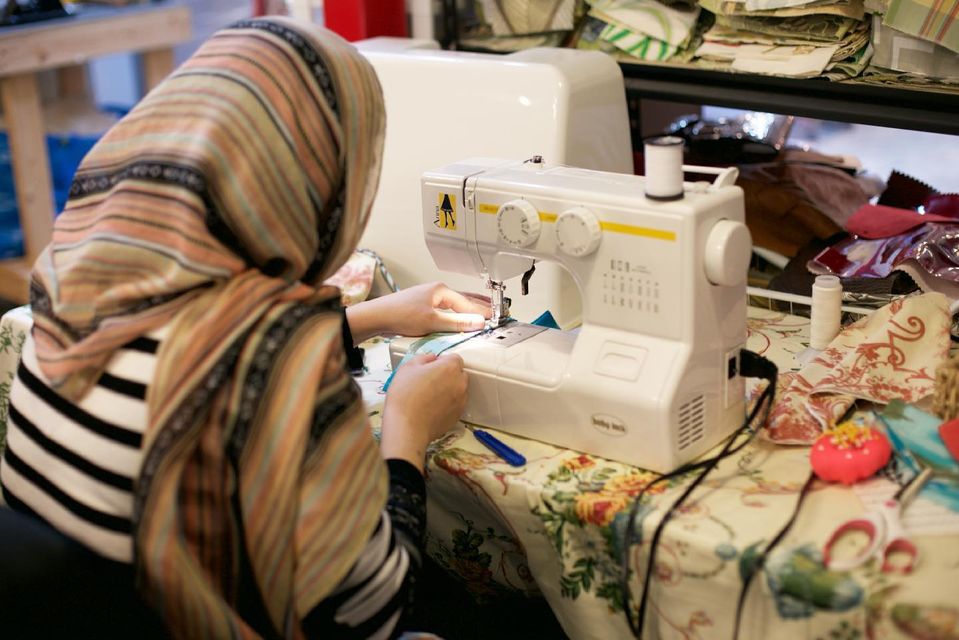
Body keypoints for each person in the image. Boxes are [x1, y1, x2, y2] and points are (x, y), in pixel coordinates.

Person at [0, 17, 489, 639]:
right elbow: (377, 611)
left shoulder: (72, 284)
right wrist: (407, 432)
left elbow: (192, 356)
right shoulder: (281, 366)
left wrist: (372, 318)